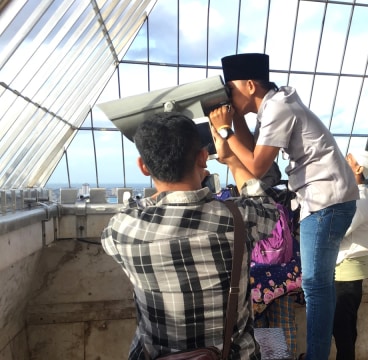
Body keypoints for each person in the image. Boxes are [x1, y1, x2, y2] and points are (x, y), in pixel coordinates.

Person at [209, 53, 359, 360]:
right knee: (321, 286)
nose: (229, 96)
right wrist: (235, 118)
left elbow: (257, 167)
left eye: (231, 90)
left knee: (316, 286)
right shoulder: (275, 106)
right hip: (329, 198)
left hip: (326, 199)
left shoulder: (278, 106)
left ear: (250, 85)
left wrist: (225, 131)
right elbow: (254, 151)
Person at [101, 112, 280, 360]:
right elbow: (269, 209)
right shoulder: (239, 218)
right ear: (203, 157)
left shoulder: (123, 229)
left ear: (143, 166)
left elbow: (133, 209)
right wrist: (233, 161)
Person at [333, 150, 368, 360]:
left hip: (346, 274)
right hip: (345, 274)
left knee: (343, 333)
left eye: (349, 159)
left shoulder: (358, 201)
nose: (344, 160)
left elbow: (334, 232)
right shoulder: (353, 197)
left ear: (358, 169)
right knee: (344, 332)